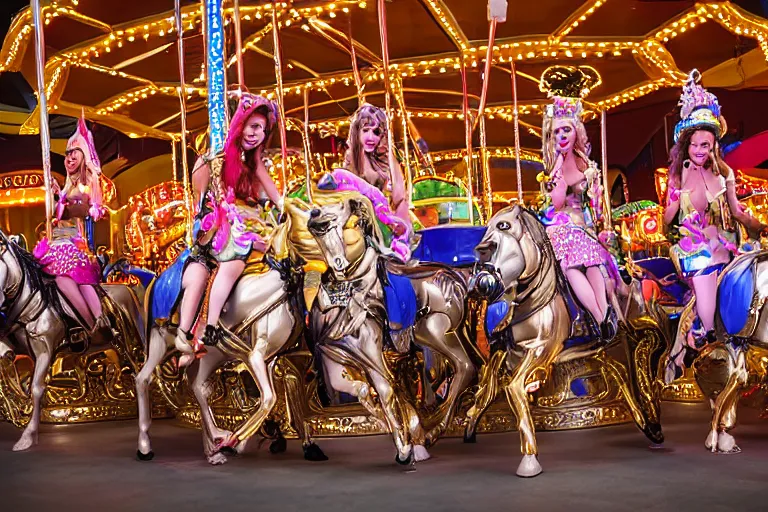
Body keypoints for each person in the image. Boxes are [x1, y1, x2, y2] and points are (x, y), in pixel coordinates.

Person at [172, 93, 282, 366]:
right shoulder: (217, 160)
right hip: (221, 225)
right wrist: (209, 162)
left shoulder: (255, 164)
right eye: (253, 126)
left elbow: (277, 198)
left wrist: (288, 212)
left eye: (263, 130)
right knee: (234, 258)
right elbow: (203, 192)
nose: (257, 134)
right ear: (239, 124)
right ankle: (209, 327)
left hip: (252, 224)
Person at [663, 69, 766, 348]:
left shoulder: (725, 173)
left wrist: (758, 226)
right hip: (693, 248)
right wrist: (674, 201)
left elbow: (736, 211)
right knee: (707, 275)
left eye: (705, 145)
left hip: (726, 243)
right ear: (686, 146)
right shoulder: (677, 178)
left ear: (714, 146)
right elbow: (668, 221)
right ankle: (704, 332)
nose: (699, 150)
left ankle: (743, 332)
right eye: (694, 144)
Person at [538, 66, 616, 339]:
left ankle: (605, 313)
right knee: (571, 266)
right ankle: (599, 315)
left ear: (576, 132)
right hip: (561, 229)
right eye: (557, 132)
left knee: (593, 262)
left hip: (584, 229)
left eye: (566, 131)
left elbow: (596, 204)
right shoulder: (552, 169)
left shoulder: (587, 164)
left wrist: (602, 226)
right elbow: (557, 204)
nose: (561, 136)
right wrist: (557, 165)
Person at [33, 114, 107, 334]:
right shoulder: (68, 187)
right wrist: (56, 194)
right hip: (58, 240)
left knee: (78, 279)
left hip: (74, 242)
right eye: (66, 154)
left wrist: (62, 203)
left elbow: (83, 209)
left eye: (73, 153)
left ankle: (96, 320)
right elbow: (58, 216)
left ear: (83, 156)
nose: (69, 158)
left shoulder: (87, 185)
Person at [323, 103, 412, 260]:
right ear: (357, 131)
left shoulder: (387, 158)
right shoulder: (351, 157)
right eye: (366, 130)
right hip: (355, 219)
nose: (371, 137)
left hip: (381, 220)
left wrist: (398, 229)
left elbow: (401, 198)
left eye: (376, 132)